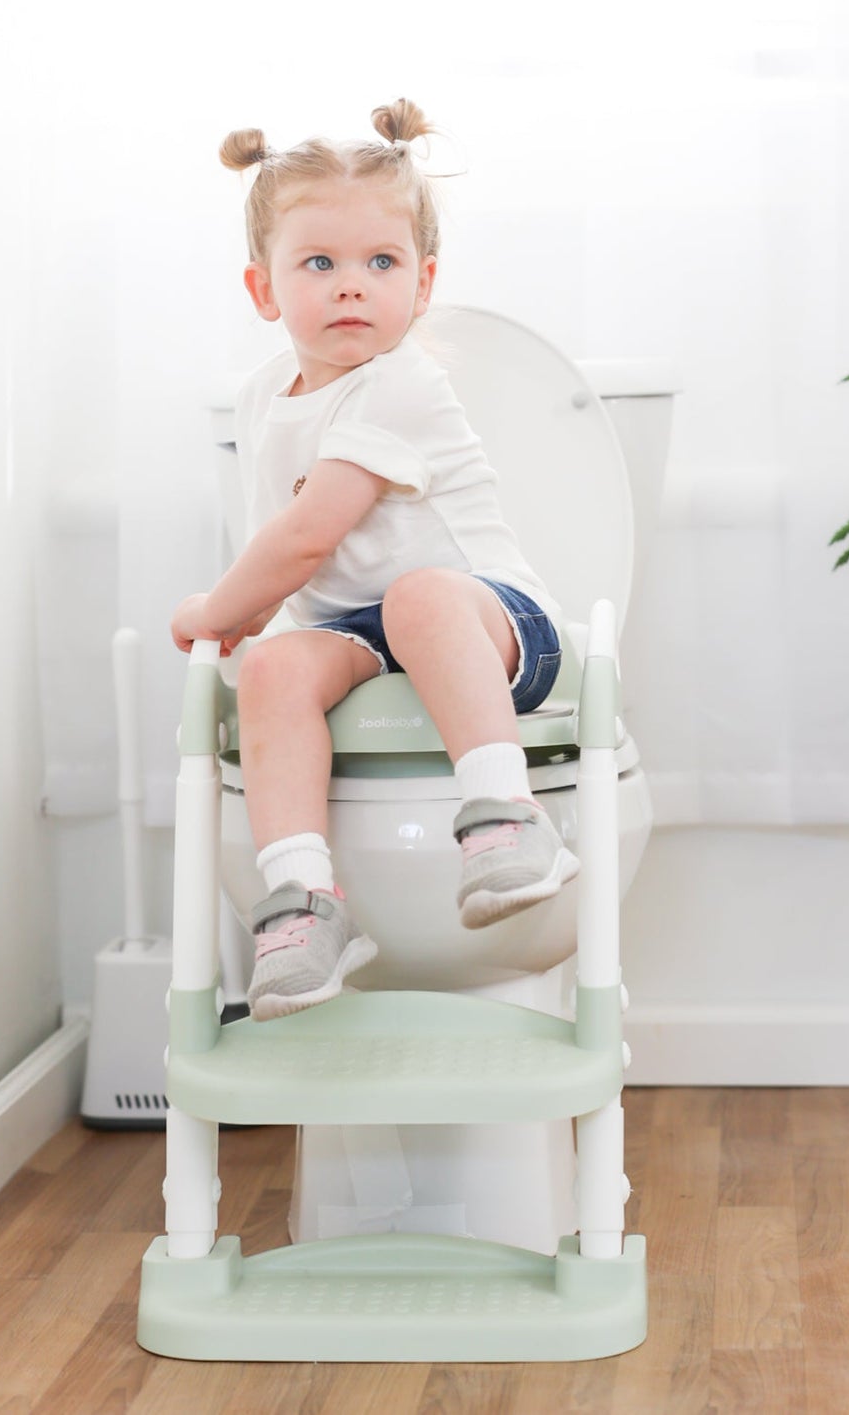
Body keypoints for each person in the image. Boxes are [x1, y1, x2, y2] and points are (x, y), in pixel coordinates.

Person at [170, 98, 578, 1021]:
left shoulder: (401, 384)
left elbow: (307, 535)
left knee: (417, 596)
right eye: (319, 263)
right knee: (274, 666)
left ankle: (507, 814)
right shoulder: (263, 395)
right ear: (263, 290)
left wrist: (213, 612)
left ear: (423, 283)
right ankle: (302, 902)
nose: (351, 285)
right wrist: (252, 633)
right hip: (360, 633)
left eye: (380, 263)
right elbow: (286, 551)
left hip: (490, 620)